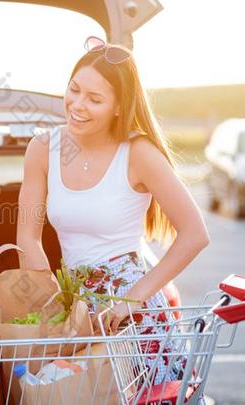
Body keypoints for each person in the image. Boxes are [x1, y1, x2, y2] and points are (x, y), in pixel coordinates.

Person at [16, 36, 209, 383]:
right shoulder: (43, 148)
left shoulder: (138, 153)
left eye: (95, 99)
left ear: (119, 106)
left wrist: (130, 302)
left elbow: (195, 234)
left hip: (131, 314)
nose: (77, 104)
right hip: (75, 306)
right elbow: (27, 239)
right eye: (74, 90)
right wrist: (53, 306)